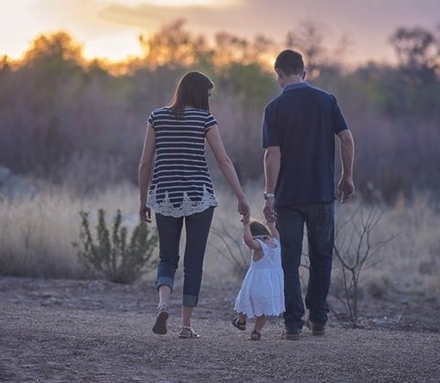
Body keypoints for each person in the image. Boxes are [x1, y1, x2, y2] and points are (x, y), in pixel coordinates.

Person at [138, 71, 250, 339]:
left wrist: (143, 200)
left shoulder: (157, 117)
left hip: (164, 196)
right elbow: (223, 161)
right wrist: (241, 196)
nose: (209, 99)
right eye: (208, 94)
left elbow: (144, 163)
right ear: (200, 93)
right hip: (199, 196)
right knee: (193, 262)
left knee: (167, 257)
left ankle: (163, 304)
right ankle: (186, 326)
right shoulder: (205, 119)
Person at [261, 49, 355, 340]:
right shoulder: (326, 100)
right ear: (304, 71)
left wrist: (269, 194)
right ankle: (318, 319)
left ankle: (292, 324)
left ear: (278, 74)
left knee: (289, 259)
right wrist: (347, 176)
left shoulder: (274, 108)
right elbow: (346, 138)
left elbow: (272, 154)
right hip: (322, 194)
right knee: (322, 256)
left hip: (288, 198)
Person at [232, 218, 284, 341]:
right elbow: (276, 233)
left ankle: (241, 322)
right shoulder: (276, 243)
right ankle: (256, 331)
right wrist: (271, 224)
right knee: (263, 310)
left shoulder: (259, 246)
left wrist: (245, 226)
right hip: (271, 285)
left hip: (256, 282)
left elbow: (248, 240)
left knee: (244, 301)